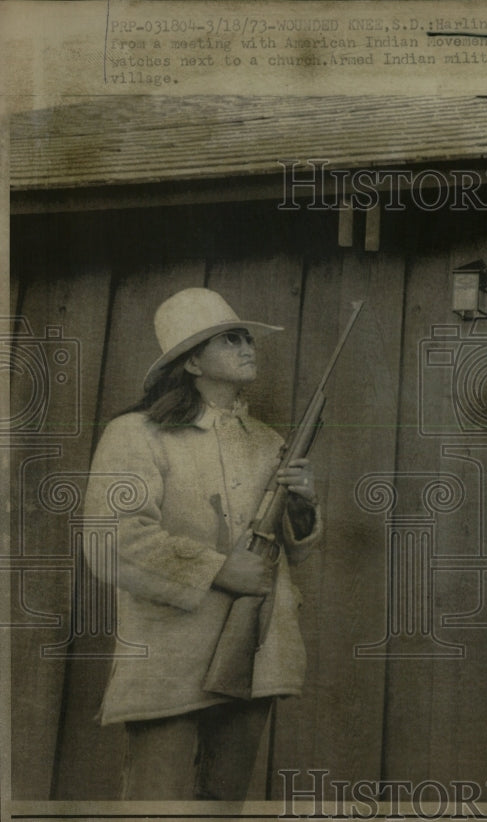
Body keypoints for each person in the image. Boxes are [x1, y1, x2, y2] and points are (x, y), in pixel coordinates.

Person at [84, 288, 322, 800]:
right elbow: (113, 540)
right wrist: (217, 569)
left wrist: (303, 507)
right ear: (192, 361)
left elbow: (293, 552)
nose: (247, 345)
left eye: (247, 336)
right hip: (169, 656)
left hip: (251, 653)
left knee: (224, 804)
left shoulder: (268, 442)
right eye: (229, 338)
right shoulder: (136, 433)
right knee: (157, 804)